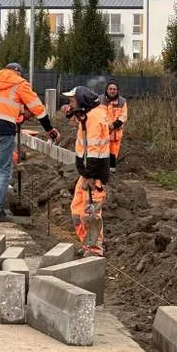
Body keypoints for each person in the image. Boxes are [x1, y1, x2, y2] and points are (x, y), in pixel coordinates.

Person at [0, 62, 60, 221]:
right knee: (4, 170)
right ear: (19, 72)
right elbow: (38, 108)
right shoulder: (19, 83)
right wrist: (49, 129)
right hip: (4, 129)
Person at [62, 86, 111, 256]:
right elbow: (79, 119)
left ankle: (95, 249)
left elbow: (94, 149)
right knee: (77, 211)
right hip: (87, 174)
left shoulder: (95, 119)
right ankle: (87, 244)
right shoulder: (89, 114)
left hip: (94, 176)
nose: (70, 103)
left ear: (82, 100)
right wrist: (70, 112)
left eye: (72, 100)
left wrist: (90, 175)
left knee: (91, 214)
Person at [101, 78, 128, 172]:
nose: (112, 91)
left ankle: (111, 171)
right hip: (102, 132)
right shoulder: (100, 100)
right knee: (101, 151)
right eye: (110, 89)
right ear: (107, 90)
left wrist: (114, 125)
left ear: (117, 90)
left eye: (114, 89)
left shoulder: (122, 102)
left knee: (113, 152)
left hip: (116, 133)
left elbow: (124, 116)